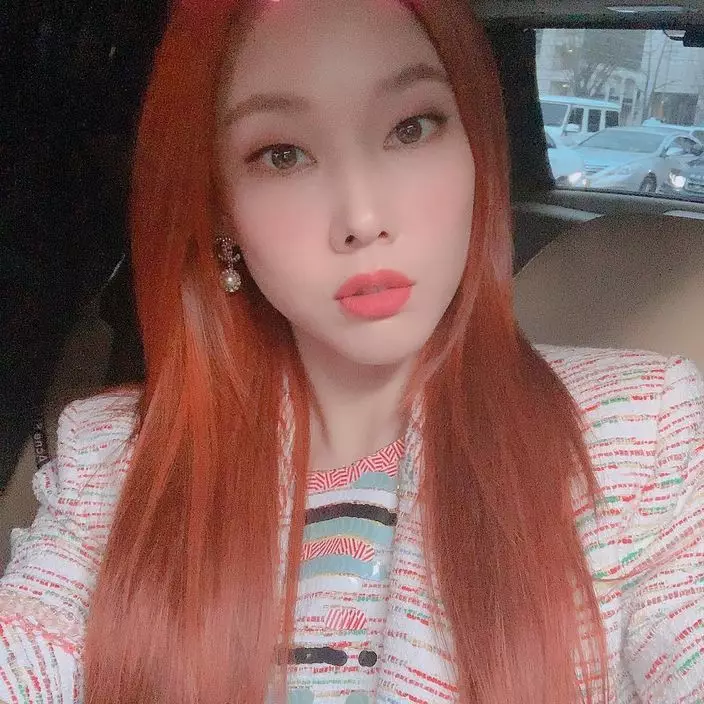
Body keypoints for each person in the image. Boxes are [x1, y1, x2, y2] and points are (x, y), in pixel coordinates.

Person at [0, 0, 702, 702]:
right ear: (221, 213)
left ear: (477, 150)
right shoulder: (112, 466)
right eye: (282, 155)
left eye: (410, 127)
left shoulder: (640, 438)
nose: (363, 219)